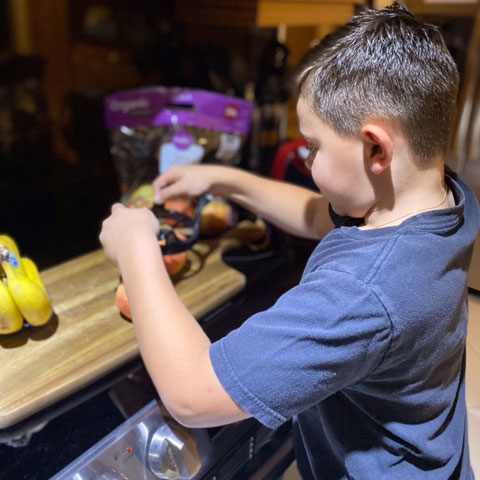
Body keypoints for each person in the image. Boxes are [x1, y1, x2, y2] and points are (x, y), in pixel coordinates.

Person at [99, 3, 480, 479]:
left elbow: (194, 394)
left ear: (376, 148)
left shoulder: (360, 292)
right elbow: (321, 216)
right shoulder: (440, 198)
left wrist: (136, 247)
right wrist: (220, 179)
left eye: (313, 148)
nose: (307, 160)